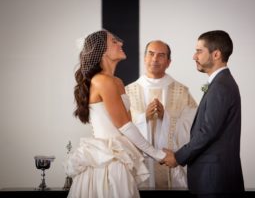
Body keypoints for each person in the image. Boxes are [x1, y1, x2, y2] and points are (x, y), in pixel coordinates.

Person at [63, 30, 166, 198]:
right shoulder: (103, 81)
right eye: (114, 42)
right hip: (106, 163)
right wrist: (158, 154)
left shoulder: (117, 81)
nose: (121, 43)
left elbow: (128, 125)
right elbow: (125, 126)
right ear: (102, 50)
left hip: (119, 157)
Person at [163, 30, 245, 197]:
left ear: (216, 54)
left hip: (214, 181)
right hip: (213, 178)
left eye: (199, 51)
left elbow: (207, 132)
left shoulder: (221, 86)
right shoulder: (220, 83)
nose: (194, 56)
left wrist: (178, 157)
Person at [125, 40, 197, 189]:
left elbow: (193, 127)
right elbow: (120, 126)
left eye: (161, 55)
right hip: (140, 166)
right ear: (144, 58)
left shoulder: (181, 91)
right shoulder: (128, 91)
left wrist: (167, 118)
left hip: (170, 163)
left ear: (169, 62)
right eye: (151, 54)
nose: (155, 59)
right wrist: (142, 118)